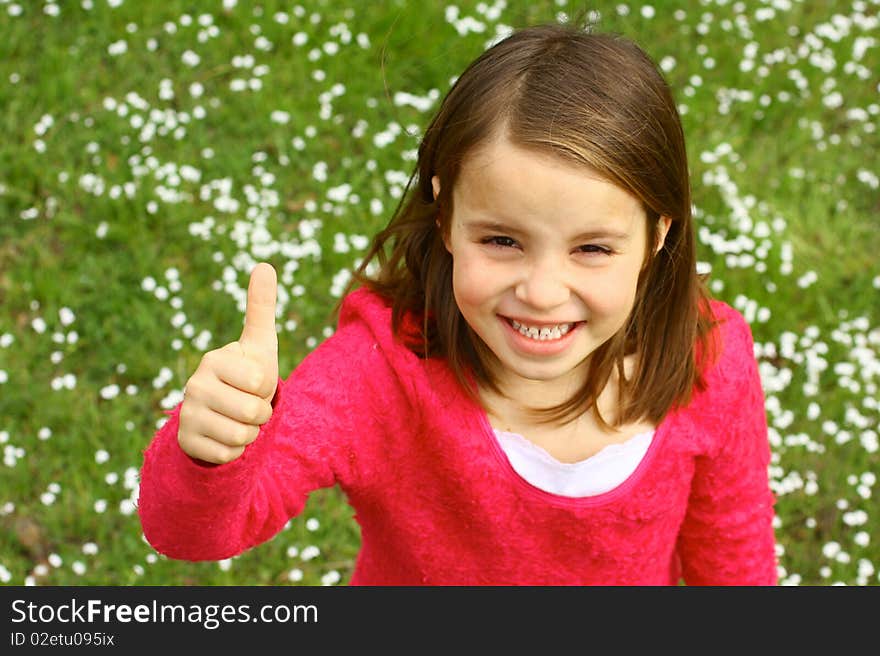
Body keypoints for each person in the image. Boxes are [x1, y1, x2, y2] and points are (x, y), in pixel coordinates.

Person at [138, 24, 778, 585]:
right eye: (502, 240)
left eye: (591, 249)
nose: (542, 292)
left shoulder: (711, 363)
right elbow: (194, 535)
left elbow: (737, 567)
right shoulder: (380, 375)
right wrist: (211, 453)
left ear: (657, 235)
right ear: (445, 216)